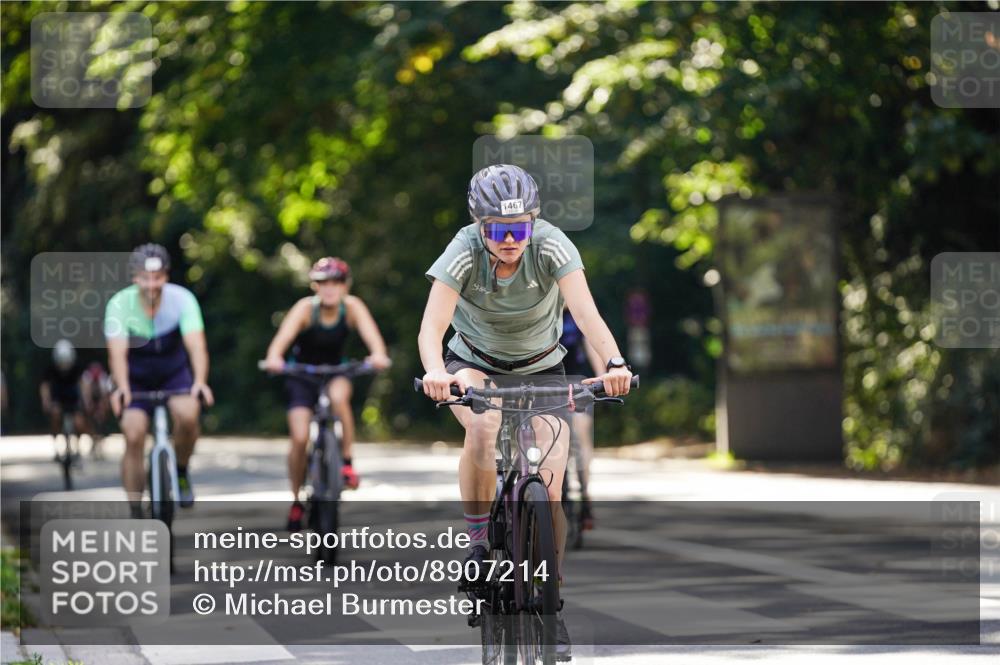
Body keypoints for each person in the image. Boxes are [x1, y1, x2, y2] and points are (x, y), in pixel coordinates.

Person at [418, 164, 632, 660]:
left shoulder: (552, 245)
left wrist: (615, 363)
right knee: (483, 425)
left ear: (534, 221)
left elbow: (586, 313)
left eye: (521, 227)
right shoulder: (463, 250)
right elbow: (432, 326)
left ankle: (549, 597)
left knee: (551, 486)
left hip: (542, 367)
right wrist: (436, 372)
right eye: (499, 230)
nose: (511, 240)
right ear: (480, 226)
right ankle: (478, 540)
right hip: (474, 364)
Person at [263, 257, 391, 532]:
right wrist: (275, 358)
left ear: (346, 286)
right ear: (315, 286)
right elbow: (279, 344)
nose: (330, 288)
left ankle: (346, 463)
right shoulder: (305, 309)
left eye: (336, 282)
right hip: (302, 375)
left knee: (339, 398)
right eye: (323, 283)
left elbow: (376, 343)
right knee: (299, 437)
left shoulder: (352, 307)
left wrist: (378, 356)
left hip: (336, 371)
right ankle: (296, 499)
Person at [104, 243, 214, 516]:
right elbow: (117, 354)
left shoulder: (183, 300)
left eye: (158, 277)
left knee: (189, 415)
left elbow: (197, 347)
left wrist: (200, 381)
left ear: (166, 276)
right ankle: (135, 508)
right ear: (135, 278)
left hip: (173, 374)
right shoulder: (119, 304)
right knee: (133, 434)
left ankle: (181, 470)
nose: (152, 284)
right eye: (145, 278)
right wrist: (123, 388)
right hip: (135, 378)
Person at [559, 308, 605, 530]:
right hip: (541, 381)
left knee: (580, 432)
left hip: (576, 382)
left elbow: (592, 343)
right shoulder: (536, 306)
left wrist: (603, 377)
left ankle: (585, 493)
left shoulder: (577, 312)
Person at [40, 339, 87, 460]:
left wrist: (85, 400)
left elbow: (83, 384)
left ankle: (77, 447)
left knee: (79, 423)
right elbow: (45, 386)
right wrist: (46, 401)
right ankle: (56, 446)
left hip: (73, 399)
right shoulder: (51, 368)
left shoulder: (77, 367)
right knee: (55, 416)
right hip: (57, 399)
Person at [80, 361, 113, 459]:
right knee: (88, 420)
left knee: (101, 419)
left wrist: (102, 409)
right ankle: (93, 439)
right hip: (91, 398)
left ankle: (100, 440)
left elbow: (105, 396)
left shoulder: (103, 378)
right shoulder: (86, 377)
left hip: (100, 398)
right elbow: (85, 394)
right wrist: (88, 405)